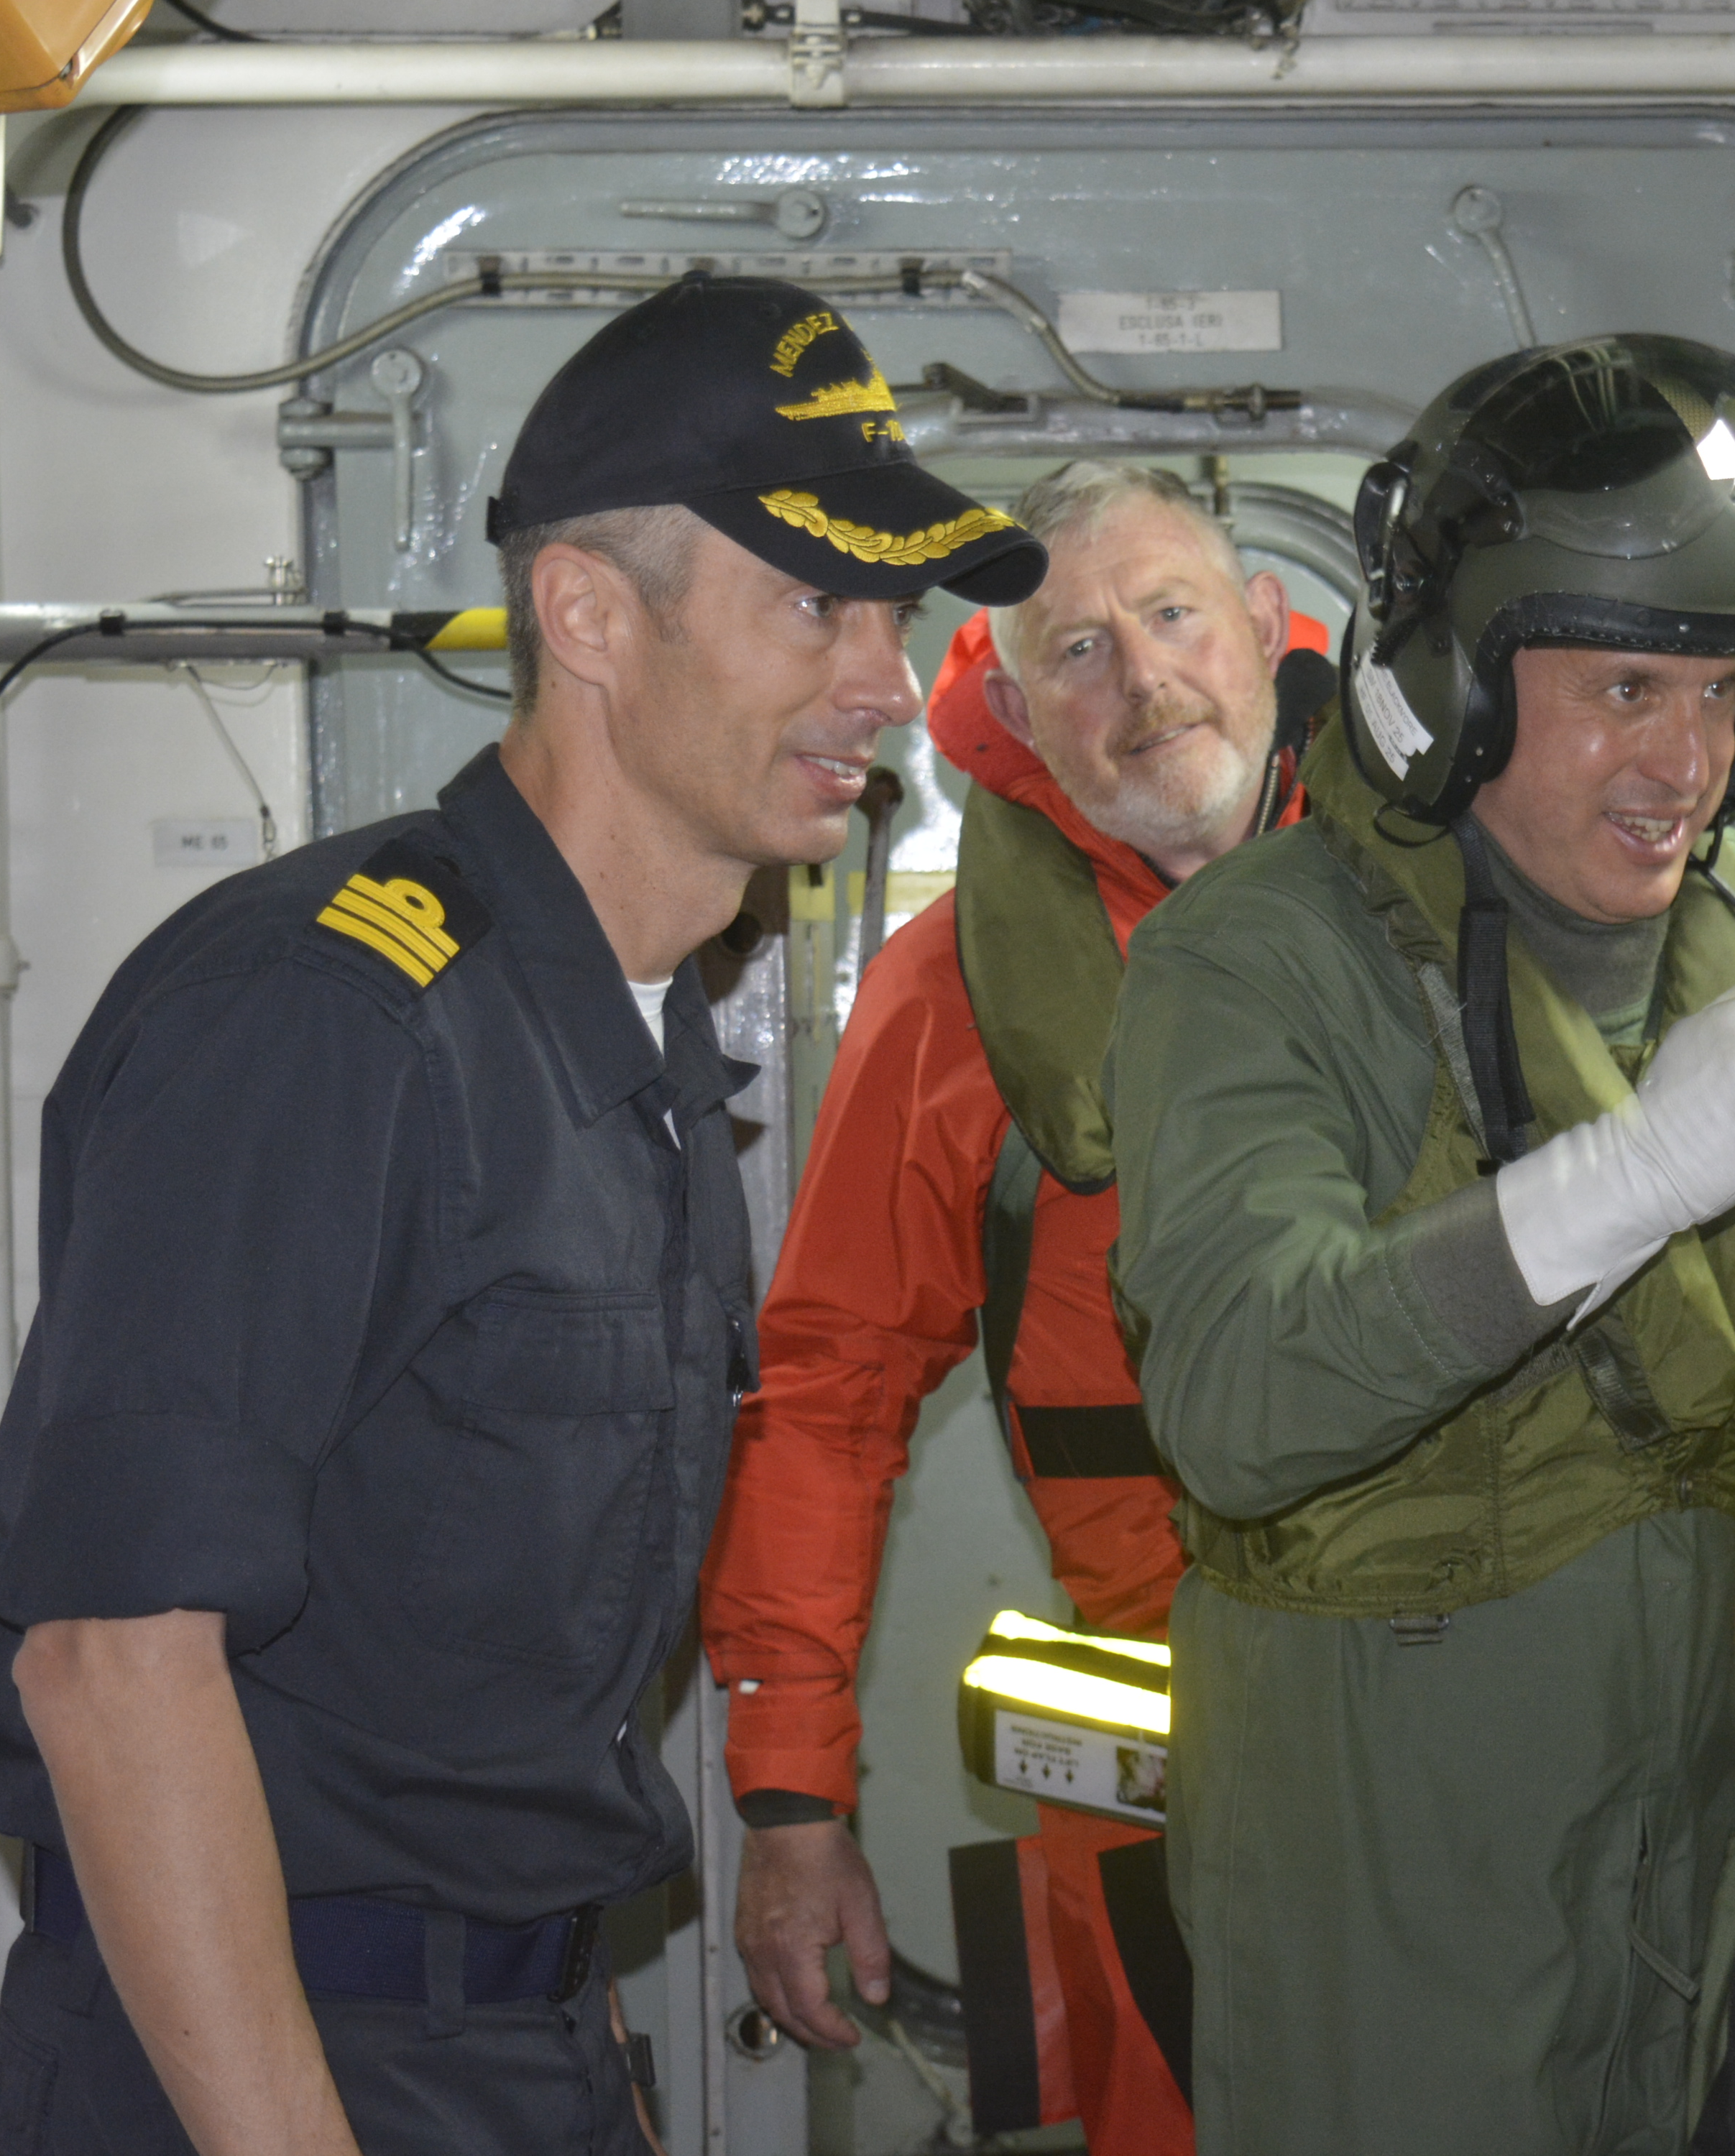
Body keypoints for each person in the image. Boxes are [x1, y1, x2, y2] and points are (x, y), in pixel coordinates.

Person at [0, 272, 1041, 2156]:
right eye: (813, 602)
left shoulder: (634, 1040)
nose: (882, 672)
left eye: (894, 608)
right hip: (260, 2063)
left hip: (507, 2040)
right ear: (591, 615)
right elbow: (113, 1662)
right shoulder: (333, 1013)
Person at [1103, 333, 1735, 2154]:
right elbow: (1242, 1395)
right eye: (1629, 689)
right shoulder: (1257, 962)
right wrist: (1636, 1171)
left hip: (1705, 1784)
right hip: (1392, 1818)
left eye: (1729, 698)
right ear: (1464, 687)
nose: (1690, 766)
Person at [696, 460, 1323, 2152]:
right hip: (1165, 1797)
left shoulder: (1457, 899)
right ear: (1015, 709)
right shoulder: (959, 995)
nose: (1142, 681)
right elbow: (824, 1397)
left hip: (1508, 1726)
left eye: (1173, 615)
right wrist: (791, 1792)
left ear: (1267, 632)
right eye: (1074, 654)